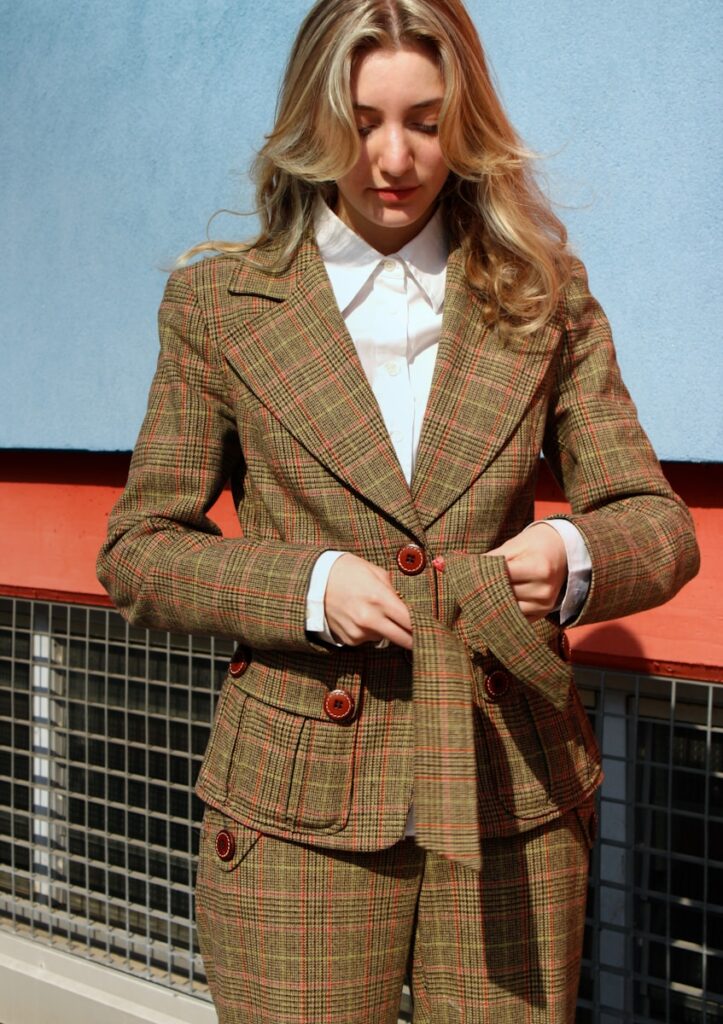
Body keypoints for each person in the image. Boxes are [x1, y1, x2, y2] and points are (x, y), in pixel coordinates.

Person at [97, 1, 699, 1021]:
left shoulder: (543, 298)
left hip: (509, 794)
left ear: (464, 122)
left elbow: (657, 522)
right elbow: (140, 554)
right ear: (311, 120)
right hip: (297, 813)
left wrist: (573, 552)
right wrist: (310, 584)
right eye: (361, 118)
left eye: (424, 119)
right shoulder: (219, 306)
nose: (392, 155)